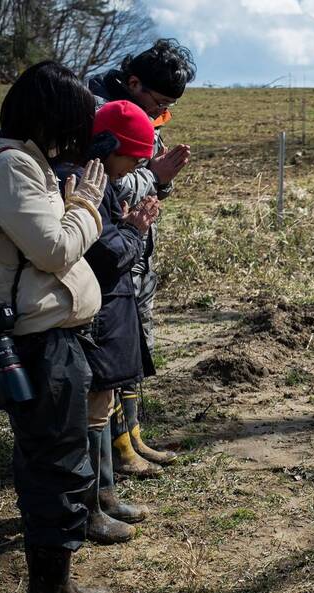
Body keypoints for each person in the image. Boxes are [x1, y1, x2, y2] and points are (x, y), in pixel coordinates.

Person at [0, 61, 114, 593]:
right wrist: (86, 206)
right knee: (55, 463)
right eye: (74, 121)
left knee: (54, 456)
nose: (79, 135)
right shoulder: (15, 165)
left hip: (46, 336)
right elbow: (54, 251)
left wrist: (69, 208)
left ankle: (58, 581)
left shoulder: (14, 162)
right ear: (52, 119)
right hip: (39, 342)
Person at [53, 100, 160, 545]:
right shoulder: (78, 180)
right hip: (94, 313)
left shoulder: (101, 180)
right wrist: (133, 232)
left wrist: (127, 228)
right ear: (107, 145)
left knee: (102, 405)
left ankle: (106, 495)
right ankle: (93, 505)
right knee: (92, 412)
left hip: (110, 310)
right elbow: (104, 251)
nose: (132, 169)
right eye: (131, 158)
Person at [88, 39, 196, 477]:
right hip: (111, 250)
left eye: (166, 112)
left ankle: (132, 434)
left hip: (137, 247)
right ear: (134, 83)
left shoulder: (141, 115)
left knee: (136, 346)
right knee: (114, 351)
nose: (158, 118)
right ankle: (116, 446)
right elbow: (108, 187)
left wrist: (162, 179)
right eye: (158, 105)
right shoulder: (98, 115)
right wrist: (153, 175)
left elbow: (146, 181)